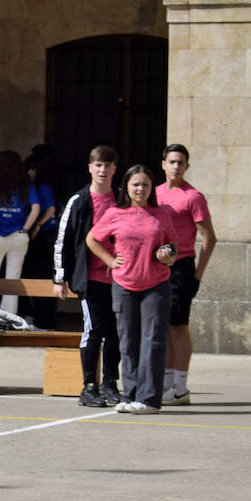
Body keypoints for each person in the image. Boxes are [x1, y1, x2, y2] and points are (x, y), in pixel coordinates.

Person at [87, 165, 178, 414]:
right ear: (127, 186)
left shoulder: (161, 214)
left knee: (153, 342)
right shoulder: (115, 213)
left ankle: (149, 399)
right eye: (136, 184)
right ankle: (129, 394)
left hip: (156, 285)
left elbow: (173, 247)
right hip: (124, 285)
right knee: (127, 341)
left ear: (151, 188)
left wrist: (166, 254)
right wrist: (109, 260)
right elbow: (92, 238)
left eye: (145, 184)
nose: (140, 189)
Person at [53, 145, 122, 407]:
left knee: (115, 332)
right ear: (90, 167)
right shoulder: (78, 201)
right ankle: (89, 387)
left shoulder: (121, 198)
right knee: (93, 330)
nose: (103, 170)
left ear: (115, 169)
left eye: (108, 165)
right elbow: (63, 240)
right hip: (89, 278)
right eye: (98, 165)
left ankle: (110, 384)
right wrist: (60, 278)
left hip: (119, 278)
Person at [154, 144, 216, 405]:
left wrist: (197, 274)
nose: (176, 166)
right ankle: (167, 384)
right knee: (164, 326)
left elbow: (209, 237)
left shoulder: (193, 197)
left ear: (187, 166)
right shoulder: (153, 193)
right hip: (158, 266)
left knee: (179, 326)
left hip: (182, 267)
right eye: (172, 161)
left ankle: (180, 387)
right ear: (163, 164)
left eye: (181, 162)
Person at [0, 150, 41, 315]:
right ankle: (9, 315)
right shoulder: (26, 185)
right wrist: (26, 229)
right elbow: (36, 207)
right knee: (13, 278)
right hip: (19, 236)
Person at [21, 151, 60, 328]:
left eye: (31, 169)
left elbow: (51, 209)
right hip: (46, 237)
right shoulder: (48, 185)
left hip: (45, 237)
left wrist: (37, 225)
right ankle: (44, 319)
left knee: (41, 277)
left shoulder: (43, 186)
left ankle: (44, 320)